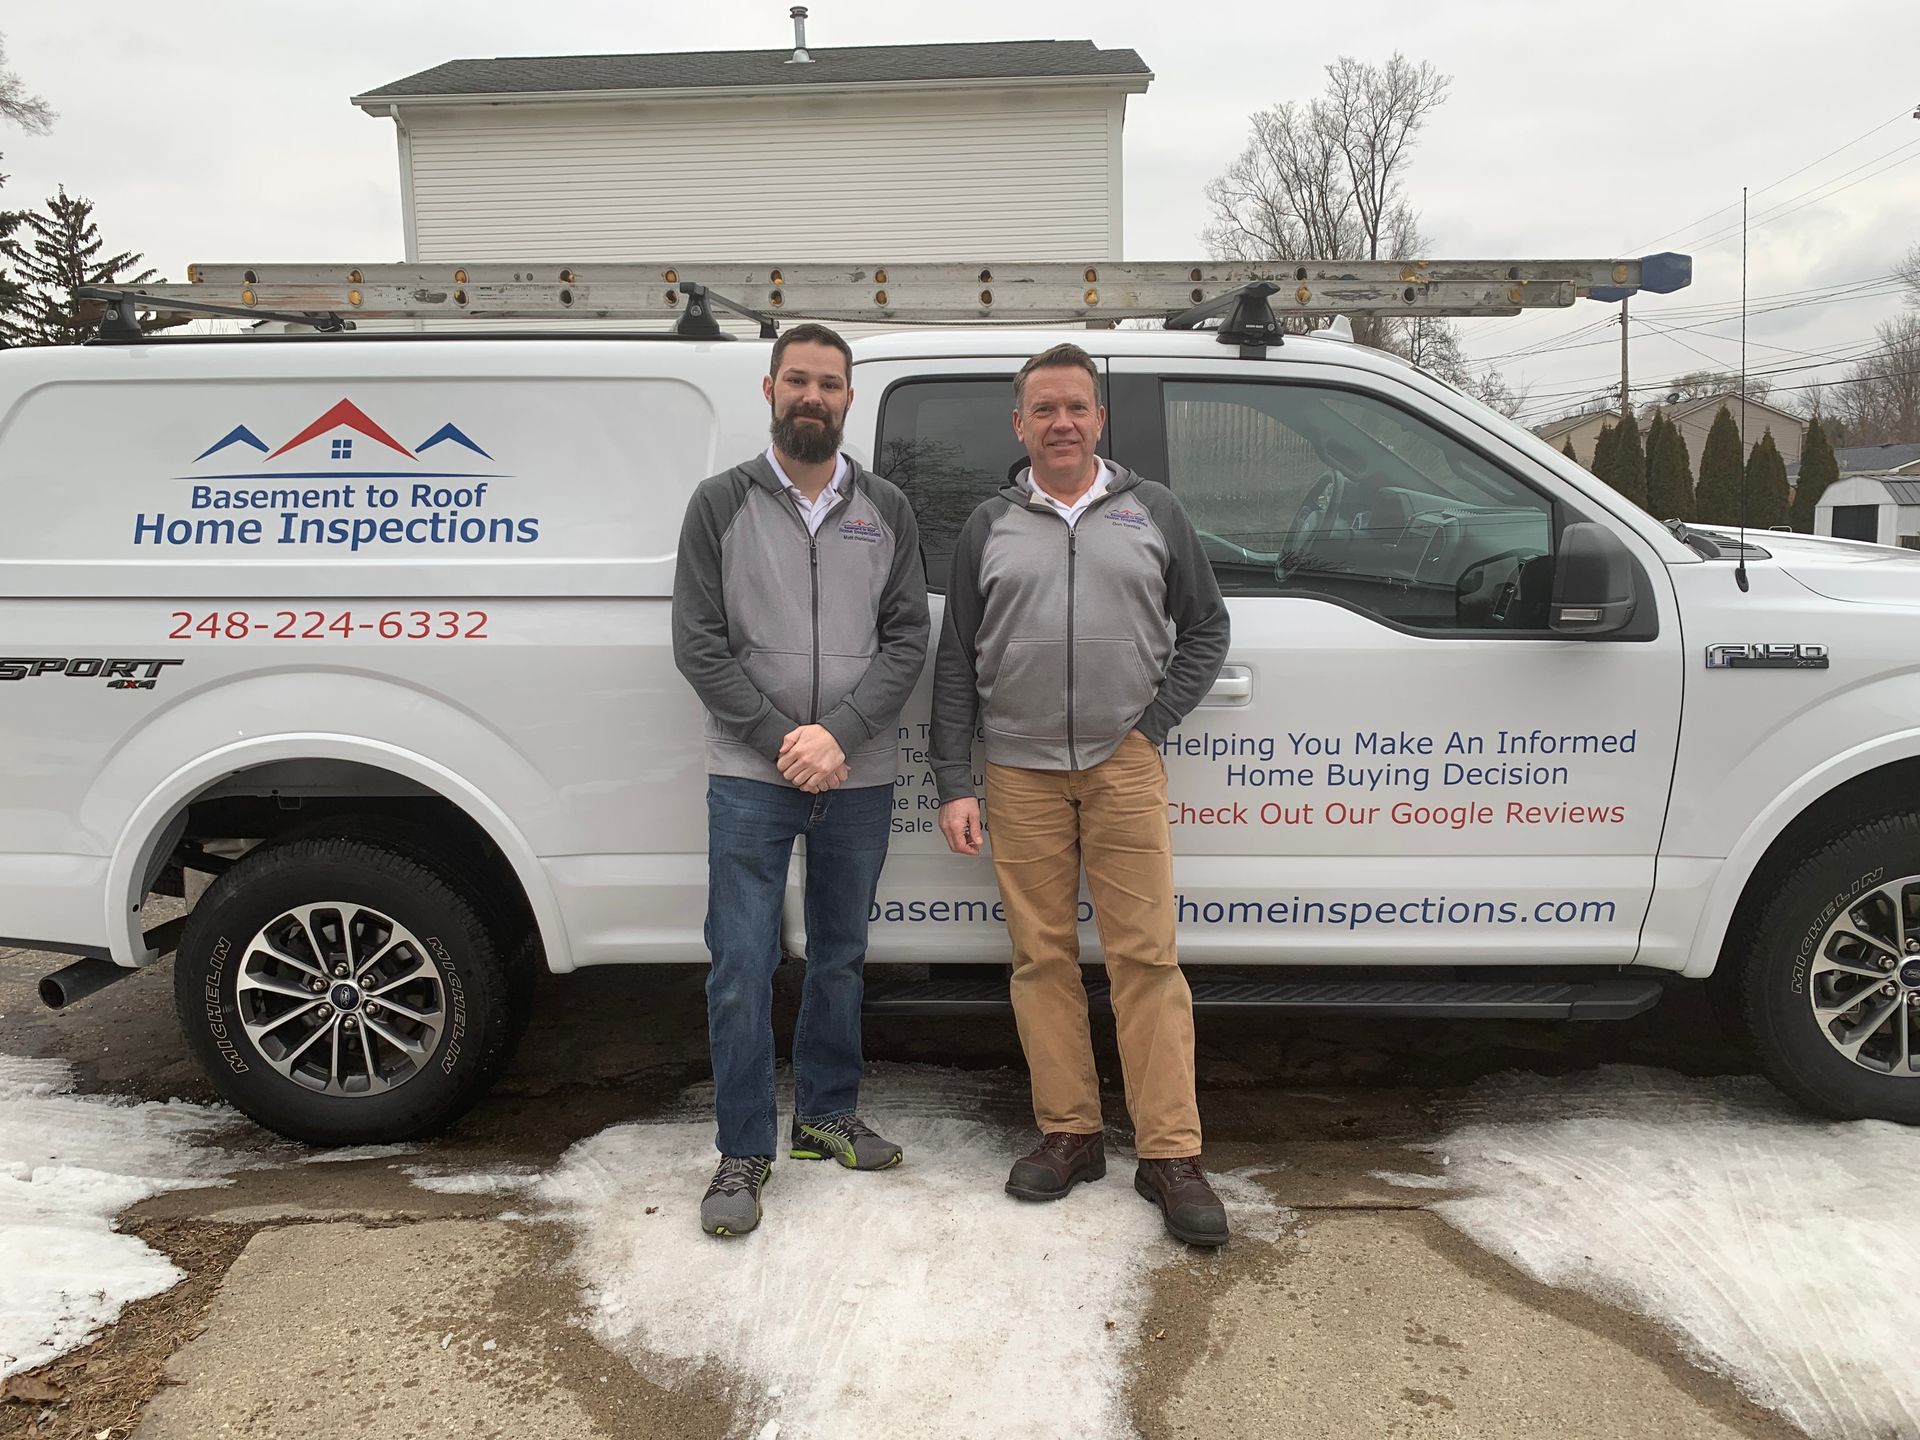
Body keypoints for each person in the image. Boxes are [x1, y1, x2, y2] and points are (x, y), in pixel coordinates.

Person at [929, 342, 1232, 1246]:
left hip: (1123, 764)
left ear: (1100, 419)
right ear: (1019, 425)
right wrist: (955, 778)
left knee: (1147, 960)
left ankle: (1171, 1154)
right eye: (1044, 410)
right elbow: (956, 666)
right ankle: (1070, 1134)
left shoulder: (1154, 512)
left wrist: (1150, 727)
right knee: (1042, 961)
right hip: (1017, 772)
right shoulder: (990, 524)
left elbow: (1206, 630)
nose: (1061, 423)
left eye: (1076, 407)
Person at [672, 323, 929, 1237]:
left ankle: (826, 1116)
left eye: (830, 383)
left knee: (841, 957)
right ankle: (742, 1150)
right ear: (771, 389)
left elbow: (908, 641)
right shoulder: (719, 504)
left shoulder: (886, 508)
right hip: (752, 770)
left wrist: (843, 738)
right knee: (741, 964)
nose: (813, 397)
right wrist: (790, 741)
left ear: (850, 397)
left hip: (857, 774)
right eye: (799, 381)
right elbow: (698, 645)